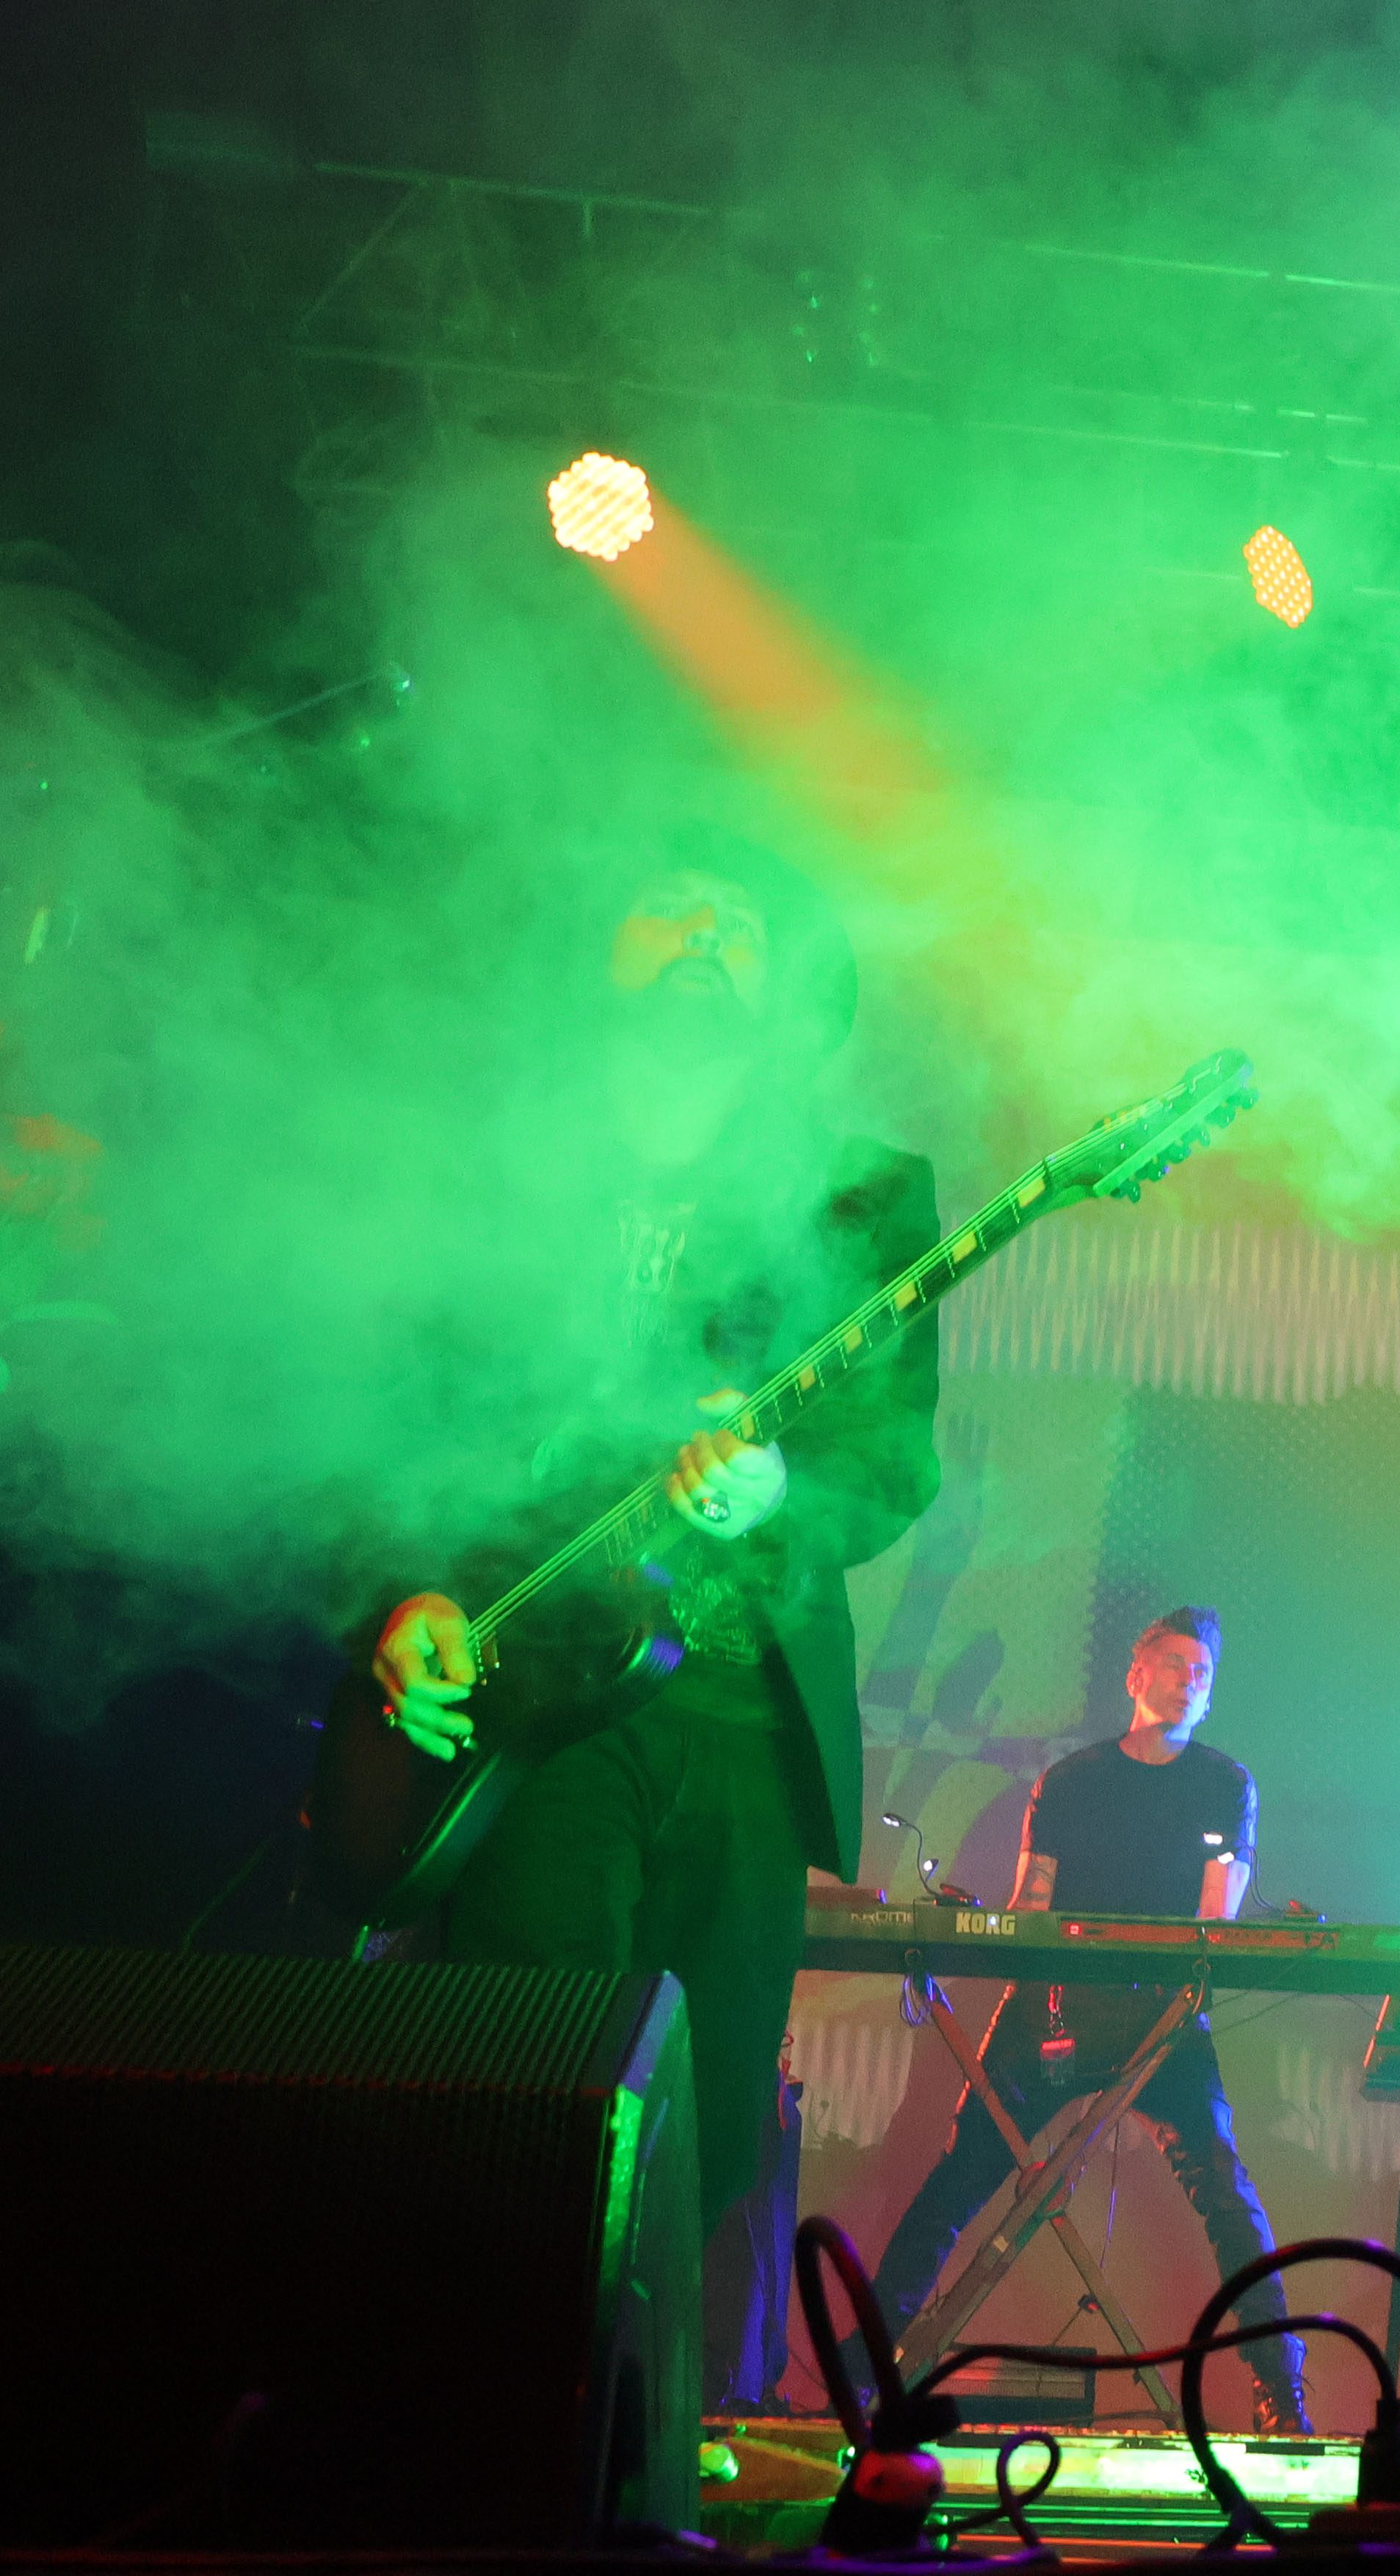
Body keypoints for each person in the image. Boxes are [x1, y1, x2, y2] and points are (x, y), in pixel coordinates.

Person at [368, 831, 940, 2244]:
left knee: (708, 2122)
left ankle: (643, 2449)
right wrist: (403, 1598)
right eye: (669, 902)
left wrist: (779, 1495)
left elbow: (894, 1457)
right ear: (601, 953)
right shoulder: (486, 1170)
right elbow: (386, 1420)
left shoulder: (860, 1194)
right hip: (545, 1702)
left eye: (739, 921)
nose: (704, 932)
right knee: (533, 2092)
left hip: (746, 1720)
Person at [868, 1607, 1312, 2433]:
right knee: (961, 2175)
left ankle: (1281, 2392)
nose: (1190, 1680)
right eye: (1175, 1664)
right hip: (1054, 2014)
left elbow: (1219, 1917)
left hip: (1165, 2018)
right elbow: (1033, 1905)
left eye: (1203, 1672)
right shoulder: (1071, 1780)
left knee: (1223, 2187)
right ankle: (865, 2378)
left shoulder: (1226, 1783)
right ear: (1136, 1677)